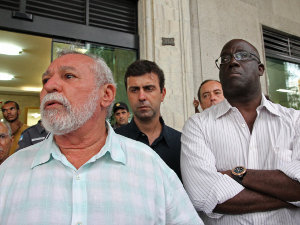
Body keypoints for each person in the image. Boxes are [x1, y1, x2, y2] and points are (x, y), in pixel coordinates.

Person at [0, 50, 203, 225]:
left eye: (68, 76)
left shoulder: (150, 165)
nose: (50, 86)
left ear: (106, 94)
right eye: (45, 80)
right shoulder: (9, 172)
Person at [181, 39, 300, 225]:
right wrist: (287, 196)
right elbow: (203, 195)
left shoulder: (295, 121)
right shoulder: (198, 125)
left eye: (243, 56)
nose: (232, 61)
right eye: (225, 58)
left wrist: (238, 174)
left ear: (260, 69)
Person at [115, 60, 182, 180]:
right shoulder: (113, 142)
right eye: (134, 90)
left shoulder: (182, 144)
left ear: (163, 93)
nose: (141, 97)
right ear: (127, 94)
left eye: (149, 88)